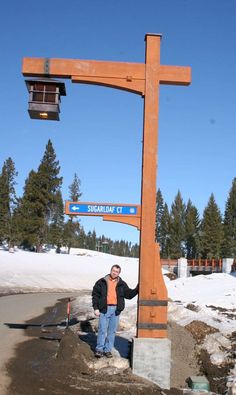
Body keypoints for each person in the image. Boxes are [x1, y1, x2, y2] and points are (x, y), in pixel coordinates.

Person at [92, 264, 138, 358]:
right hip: (104, 309)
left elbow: (129, 295)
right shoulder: (102, 282)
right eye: (113, 271)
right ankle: (99, 350)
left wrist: (137, 289)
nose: (114, 273)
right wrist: (96, 308)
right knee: (102, 330)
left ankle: (107, 350)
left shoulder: (121, 284)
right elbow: (95, 295)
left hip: (116, 310)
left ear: (119, 273)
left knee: (112, 331)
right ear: (111, 270)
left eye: (117, 272)